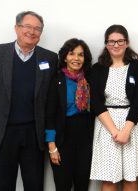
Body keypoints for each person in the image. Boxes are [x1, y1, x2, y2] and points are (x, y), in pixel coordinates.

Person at [0, 11, 58, 191]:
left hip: (34, 133)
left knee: (34, 184)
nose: (32, 32)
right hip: (4, 131)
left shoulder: (50, 58)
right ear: (16, 28)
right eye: (27, 26)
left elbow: (49, 97)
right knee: (3, 185)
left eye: (37, 28)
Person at [89, 24, 138, 191]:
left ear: (127, 43)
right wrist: (114, 131)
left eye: (120, 41)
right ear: (106, 44)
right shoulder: (97, 69)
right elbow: (96, 102)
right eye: (111, 42)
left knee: (130, 176)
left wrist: (126, 130)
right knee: (109, 178)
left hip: (131, 124)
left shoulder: (137, 67)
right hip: (106, 124)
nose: (116, 45)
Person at [45, 38, 94, 191]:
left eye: (81, 55)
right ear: (65, 57)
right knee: (62, 184)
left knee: (82, 184)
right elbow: (49, 115)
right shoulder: (56, 80)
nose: (76, 58)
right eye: (72, 54)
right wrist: (52, 146)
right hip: (62, 137)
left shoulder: (90, 79)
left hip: (85, 137)